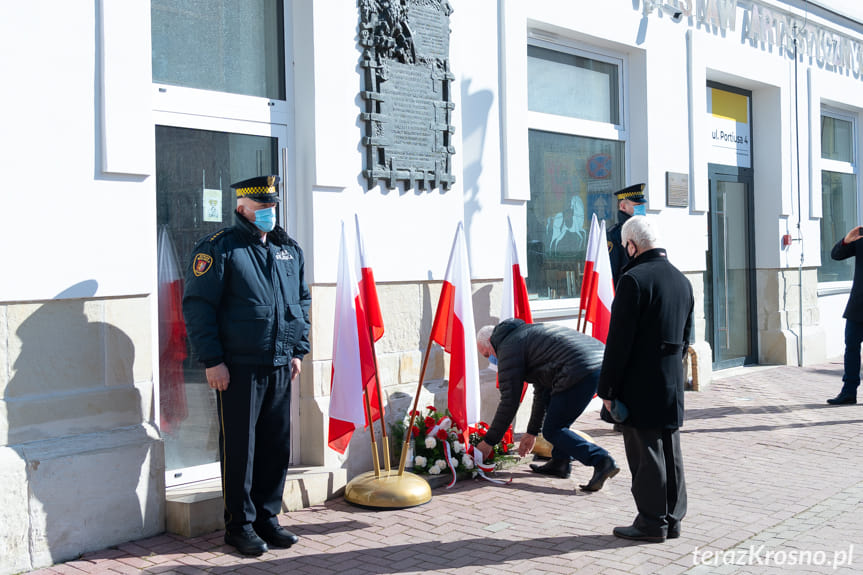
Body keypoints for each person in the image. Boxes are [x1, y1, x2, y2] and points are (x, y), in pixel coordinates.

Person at [183, 175, 311, 556]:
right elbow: (198, 307)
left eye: (273, 206)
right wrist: (213, 361)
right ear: (242, 208)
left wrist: (298, 351)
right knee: (241, 447)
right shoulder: (219, 249)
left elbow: (301, 303)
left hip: (279, 363)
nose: (269, 213)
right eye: (262, 208)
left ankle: (267, 519)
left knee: (275, 445)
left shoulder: (289, 250)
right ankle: (239, 525)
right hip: (237, 367)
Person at [597, 215, 693, 543]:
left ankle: (652, 523)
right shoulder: (682, 281)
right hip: (670, 381)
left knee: (646, 455)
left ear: (632, 245)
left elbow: (619, 342)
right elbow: (686, 338)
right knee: (670, 450)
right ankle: (672, 519)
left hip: (639, 384)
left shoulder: (633, 280)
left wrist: (607, 389)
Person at [474, 319, 619, 492]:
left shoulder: (508, 347)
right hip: (599, 361)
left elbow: (509, 401)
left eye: (486, 354)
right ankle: (560, 462)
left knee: (554, 429)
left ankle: (601, 460)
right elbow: (542, 392)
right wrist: (532, 431)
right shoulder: (524, 337)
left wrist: (489, 441)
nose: (491, 359)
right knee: (555, 415)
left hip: (580, 367)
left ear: (491, 342)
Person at [827, 225, 863, 405]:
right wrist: (845, 241)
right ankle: (849, 392)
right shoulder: (860, 238)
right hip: (858, 306)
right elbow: (836, 255)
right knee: (851, 348)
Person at [606, 183, 647, 287]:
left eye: (642, 205)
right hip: (627, 289)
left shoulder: (647, 229)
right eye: (637, 206)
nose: (641, 209)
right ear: (623, 206)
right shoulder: (614, 234)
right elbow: (612, 271)